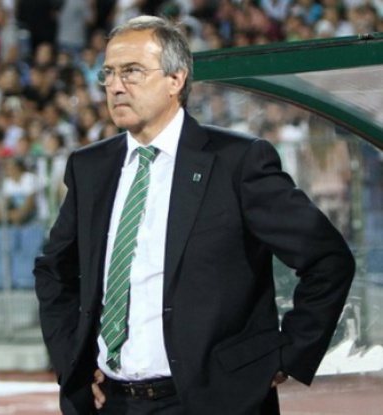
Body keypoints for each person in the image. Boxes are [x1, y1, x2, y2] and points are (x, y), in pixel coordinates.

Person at [34, 15, 355, 415]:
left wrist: (286, 354)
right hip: (111, 402)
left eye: (132, 72)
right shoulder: (90, 167)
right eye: (109, 73)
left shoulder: (237, 161)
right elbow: (53, 271)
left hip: (213, 401)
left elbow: (327, 259)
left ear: (176, 79)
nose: (115, 86)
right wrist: (73, 363)